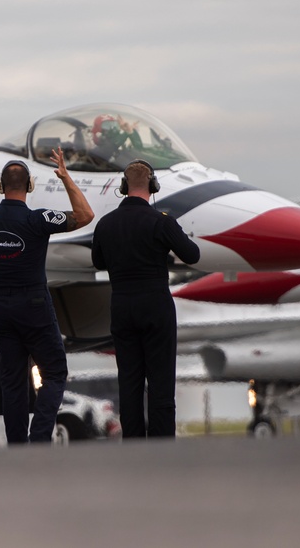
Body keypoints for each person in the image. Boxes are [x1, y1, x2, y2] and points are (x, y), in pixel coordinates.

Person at [0, 149, 94, 444]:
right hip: (34, 304)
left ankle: (18, 444)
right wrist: (66, 178)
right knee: (55, 373)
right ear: (29, 186)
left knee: (13, 380)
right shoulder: (39, 219)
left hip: (1, 307)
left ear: (0, 186)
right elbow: (85, 215)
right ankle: (40, 436)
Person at [89, 159, 200, 438]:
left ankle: (134, 445)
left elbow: (98, 262)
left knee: (130, 382)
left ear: (124, 187)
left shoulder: (106, 224)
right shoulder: (161, 222)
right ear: (153, 186)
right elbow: (193, 255)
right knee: (161, 382)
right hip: (155, 305)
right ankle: (162, 445)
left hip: (122, 306)